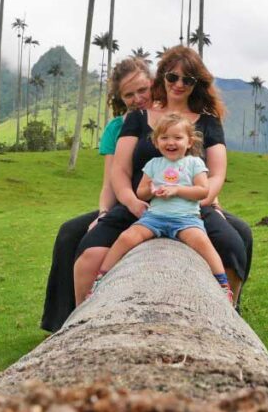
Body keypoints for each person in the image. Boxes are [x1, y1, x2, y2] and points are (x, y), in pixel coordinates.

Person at [72, 45, 251, 313]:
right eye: (172, 77)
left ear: (196, 84)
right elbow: (119, 170)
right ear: (162, 77)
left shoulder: (209, 122)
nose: (178, 84)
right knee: (89, 255)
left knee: (232, 248)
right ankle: (79, 319)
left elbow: (217, 173)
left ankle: (229, 316)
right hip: (142, 205)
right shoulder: (137, 118)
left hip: (192, 207)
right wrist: (132, 202)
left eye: (187, 79)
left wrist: (204, 200)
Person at [38, 57, 154, 332]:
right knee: (69, 233)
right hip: (125, 204)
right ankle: (62, 323)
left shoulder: (169, 117)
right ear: (120, 98)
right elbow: (110, 180)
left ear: (153, 84)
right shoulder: (116, 127)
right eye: (129, 94)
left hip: (166, 203)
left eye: (142, 90)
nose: (137, 99)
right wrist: (103, 214)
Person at [90, 113, 234, 301]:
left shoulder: (194, 163)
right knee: (126, 237)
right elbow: (141, 192)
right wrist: (150, 191)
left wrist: (177, 190)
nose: (170, 142)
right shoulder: (153, 164)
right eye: (164, 138)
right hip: (155, 217)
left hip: (186, 219)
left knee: (203, 244)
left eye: (177, 137)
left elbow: (202, 191)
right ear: (156, 143)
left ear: (189, 142)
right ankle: (101, 277)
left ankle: (223, 284)